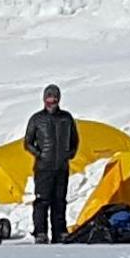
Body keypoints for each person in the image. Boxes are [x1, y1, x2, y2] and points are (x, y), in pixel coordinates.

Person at [22, 86, 81, 242]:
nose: (51, 101)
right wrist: (40, 155)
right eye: (49, 98)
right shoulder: (36, 119)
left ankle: (60, 232)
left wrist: (70, 154)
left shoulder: (66, 118)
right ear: (44, 99)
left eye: (54, 98)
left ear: (59, 99)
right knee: (42, 201)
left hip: (61, 167)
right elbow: (27, 143)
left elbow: (75, 140)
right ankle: (40, 232)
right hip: (43, 168)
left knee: (60, 201)